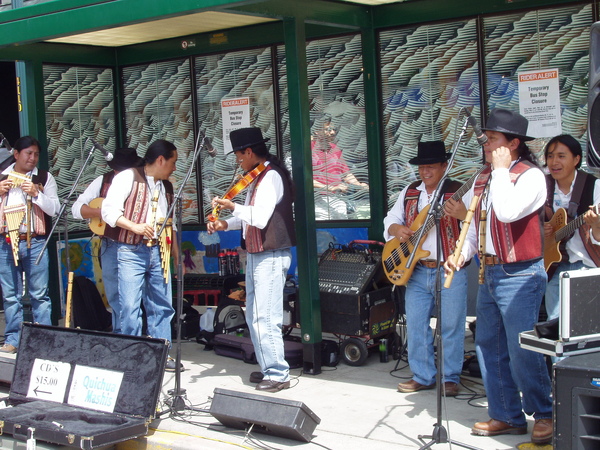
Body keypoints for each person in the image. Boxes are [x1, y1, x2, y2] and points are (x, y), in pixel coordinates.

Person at [444, 109, 553, 445]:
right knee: (488, 345)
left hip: (520, 273)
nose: (486, 144)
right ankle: (506, 414)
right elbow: (476, 229)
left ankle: (544, 413)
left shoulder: (531, 176)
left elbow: (506, 212)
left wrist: (502, 170)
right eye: (487, 138)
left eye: (493, 139)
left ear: (513, 144)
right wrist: (460, 255)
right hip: (489, 270)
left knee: (522, 349)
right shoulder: (485, 177)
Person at [207, 127, 295, 393]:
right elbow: (247, 219)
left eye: (238, 155)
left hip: (270, 255)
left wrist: (232, 206)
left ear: (248, 151)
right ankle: (268, 367)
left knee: (266, 317)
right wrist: (224, 223)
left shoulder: (270, 178)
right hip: (257, 254)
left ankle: (279, 373)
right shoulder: (256, 178)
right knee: (255, 314)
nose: (237, 161)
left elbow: (259, 217)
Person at [383, 141, 468, 397]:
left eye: (430, 166)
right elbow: (391, 219)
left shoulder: (457, 191)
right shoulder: (409, 192)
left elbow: (474, 224)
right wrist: (396, 229)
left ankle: (450, 377)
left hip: (449, 267)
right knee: (416, 323)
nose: (425, 172)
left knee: (451, 325)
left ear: (445, 166)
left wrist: (463, 213)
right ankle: (423, 375)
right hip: (416, 268)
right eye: (421, 167)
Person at [101, 139, 182, 372]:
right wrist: (134, 226)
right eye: (173, 162)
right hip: (131, 251)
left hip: (159, 250)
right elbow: (108, 211)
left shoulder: (166, 186)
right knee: (129, 305)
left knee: (162, 304)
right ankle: (131, 354)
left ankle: (161, 353)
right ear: (160, 160)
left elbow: (171, 224)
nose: (174, 168)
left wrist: (176, 255)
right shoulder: (127, 177)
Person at [72, 147, 144, 334]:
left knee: (133, 295)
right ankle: (121, 332)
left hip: (135, 244)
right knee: (113, 291)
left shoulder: (143, 181)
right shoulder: (102, 181)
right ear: (115, 170)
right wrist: (101, 212)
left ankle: (135, 333)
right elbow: (76, 208)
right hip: (110, 244)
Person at [0, 136, 59, 353]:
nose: (32, 158)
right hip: (6, 242)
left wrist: (36, 194)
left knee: (39, 294)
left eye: (36, 154)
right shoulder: (2, 176)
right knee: (10, 294)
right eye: (28, 153)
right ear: (16, 154)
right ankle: (13, 339)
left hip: (35, 241)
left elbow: (55, 209)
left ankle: (44, 339)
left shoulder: (44, 177)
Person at [542, 134, 600, 322]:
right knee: (555, 322)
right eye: (550, 156)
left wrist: (596, 224)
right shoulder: (543, 185)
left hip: (586, 262)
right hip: (552, 265)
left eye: (561, 156)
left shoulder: (594, 186)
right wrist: (542, 230)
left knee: (578, 324)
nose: (554, 162)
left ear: (576, 159)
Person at [312, 118, 368, 220]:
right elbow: (304, 179)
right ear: (317, 131)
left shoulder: (334, 148)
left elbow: (345, 174)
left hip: (336, 198)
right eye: (328, 129)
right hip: (316, 201)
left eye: (334, 129)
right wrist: (330, 187)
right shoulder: (307, 149)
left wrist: (360, 185)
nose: (333, 132)